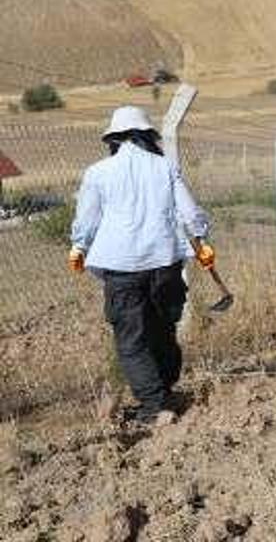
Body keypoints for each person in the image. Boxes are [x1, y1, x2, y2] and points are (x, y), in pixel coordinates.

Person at [68, 106, 214, 423]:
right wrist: (202, 242)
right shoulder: (165, 167)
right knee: (163, 331)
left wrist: (78, 247)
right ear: (148, 136)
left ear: (114, 140)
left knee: (132, 341)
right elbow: (190, 213)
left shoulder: (97, 173)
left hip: (120, 268)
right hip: (165, 263)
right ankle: (165, 393)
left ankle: (155, 407)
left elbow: (87, 219)